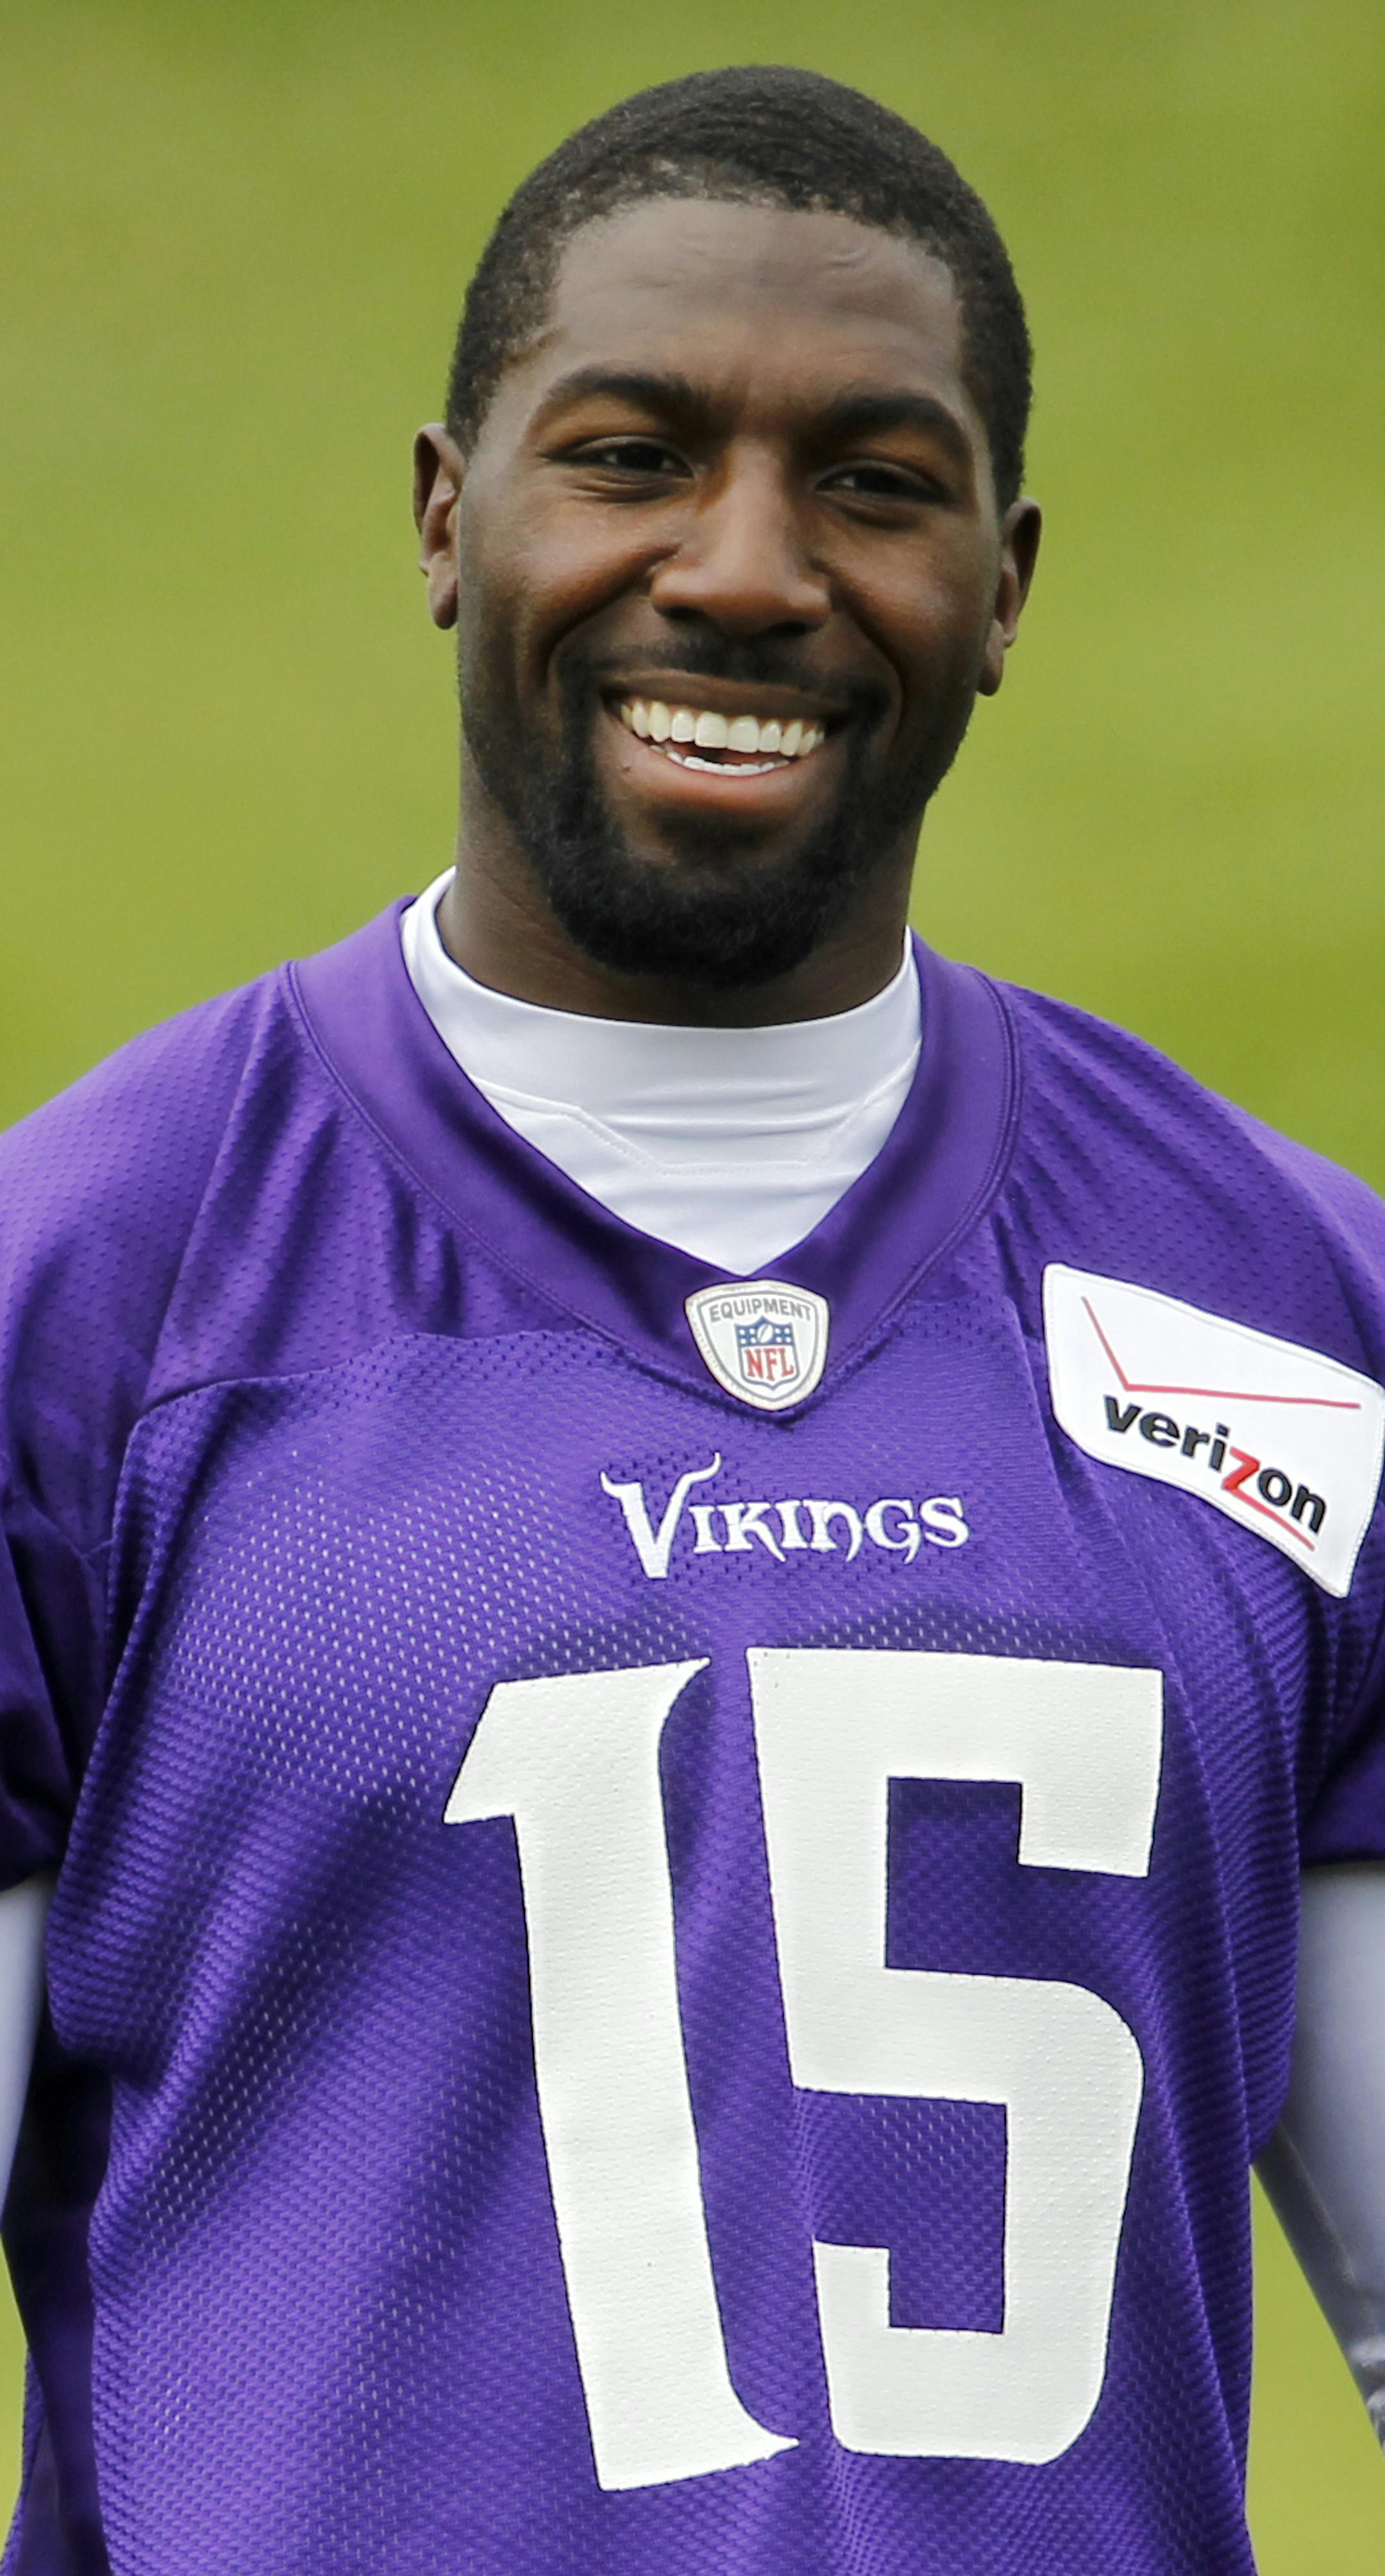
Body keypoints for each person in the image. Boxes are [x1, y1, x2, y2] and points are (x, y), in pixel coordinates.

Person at [0, 62, 1382, 2576]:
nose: (747, 571)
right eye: (629, 455)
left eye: (874, 480)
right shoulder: (81, 1302)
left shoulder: (1295, 1316)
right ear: (450, 513)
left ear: (1008, 576)